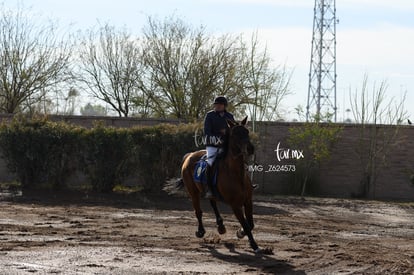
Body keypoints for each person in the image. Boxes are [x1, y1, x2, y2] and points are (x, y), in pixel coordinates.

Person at [203, 96, 234, 199]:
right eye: (216, 105)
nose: (217, 106)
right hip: (213, 145)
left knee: (238, 159)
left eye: (219, 105)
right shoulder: (210, 115)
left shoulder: (230, 116)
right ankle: (209, 189)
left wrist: (227, 134)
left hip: (225, 145)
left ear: (224, 106)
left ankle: (244, 185)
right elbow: (207, 131)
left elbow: (233, 131)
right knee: (210, 163)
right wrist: (218, 137)